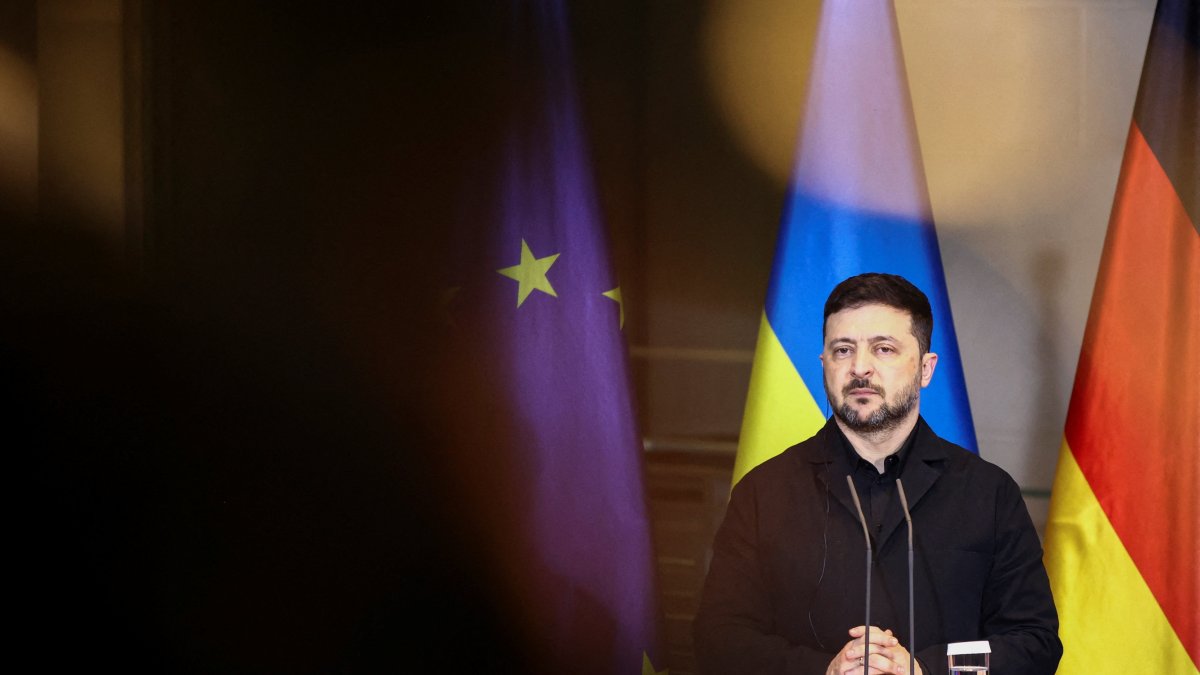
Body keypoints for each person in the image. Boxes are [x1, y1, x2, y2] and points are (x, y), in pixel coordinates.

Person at [693, 273, 1061, 675]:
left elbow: (1033, 643)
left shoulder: (988, 493)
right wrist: (823, 671)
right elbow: (719, 640)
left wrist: (927, 669)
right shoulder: (764, 492)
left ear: (925, 368)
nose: (860, 368)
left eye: (883, 349)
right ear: (824, 364)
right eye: (843, 350)